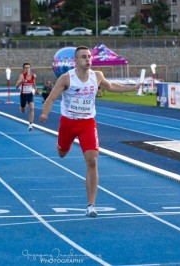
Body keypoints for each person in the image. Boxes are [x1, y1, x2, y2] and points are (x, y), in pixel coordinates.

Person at [39, 46, 143, 218]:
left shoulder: (97, 76)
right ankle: (62, 146)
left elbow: (111, 86)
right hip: (68, 123)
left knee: (92, 161)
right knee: (62, 153)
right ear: (76, 61)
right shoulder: (66, 78)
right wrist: (45, 113)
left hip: (88, 123)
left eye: (89, 57)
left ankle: (91, 205)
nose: (88, 60)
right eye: (83, 57)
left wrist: (132, 88)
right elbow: (51, 98)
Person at [15, 62, 37, 131]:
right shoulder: (22, 76)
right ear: (23, 69)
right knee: (23, 111)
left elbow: (33, 83)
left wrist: (35, 89)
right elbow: (16, 86)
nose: (27, 69)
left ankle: (30, 125)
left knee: (32, 108)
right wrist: (21, 82)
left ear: (30, 68)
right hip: (23, 95)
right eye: (26, 68)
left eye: (28, 67)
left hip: (30, 94)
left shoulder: (33, 76)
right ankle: (22, 107)